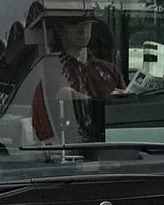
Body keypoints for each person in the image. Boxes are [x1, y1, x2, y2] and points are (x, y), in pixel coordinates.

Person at [31, 13, 125, 142]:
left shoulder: (110, 70)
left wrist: (124, 101)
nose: (83, 30)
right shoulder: (46, 71)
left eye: (88, 24)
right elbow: (44, 124)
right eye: (75, 24)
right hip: (64, 147)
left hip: (111, 147)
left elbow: (126, 115)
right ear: (60, 28)